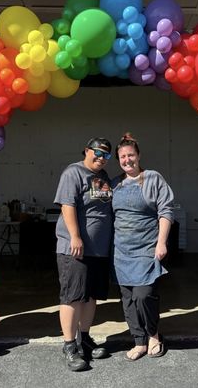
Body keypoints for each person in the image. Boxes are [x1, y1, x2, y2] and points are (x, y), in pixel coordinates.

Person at [112, 133, 174, 361]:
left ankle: (153, 335)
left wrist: (162, 242)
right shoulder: (114, 184)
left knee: (143, 294)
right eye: (122, 157)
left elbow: (166, 210)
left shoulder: (153, 178)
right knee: (127, 298)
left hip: (147, 248)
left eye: (130, 155)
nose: (127, 160)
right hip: (121, 251)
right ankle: (139, 341)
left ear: (138, 156)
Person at [54, 137, 114, 371]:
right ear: (87, 150)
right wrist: (75, 236)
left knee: (91, 296)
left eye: (106, 155)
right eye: (97, 152)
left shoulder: (103, 178)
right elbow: (67, 205)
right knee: (73, 295)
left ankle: (85, 339)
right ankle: (70, 346)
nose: (101, 158)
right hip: (75, 248)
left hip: (99, 249)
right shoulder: (73, 173)